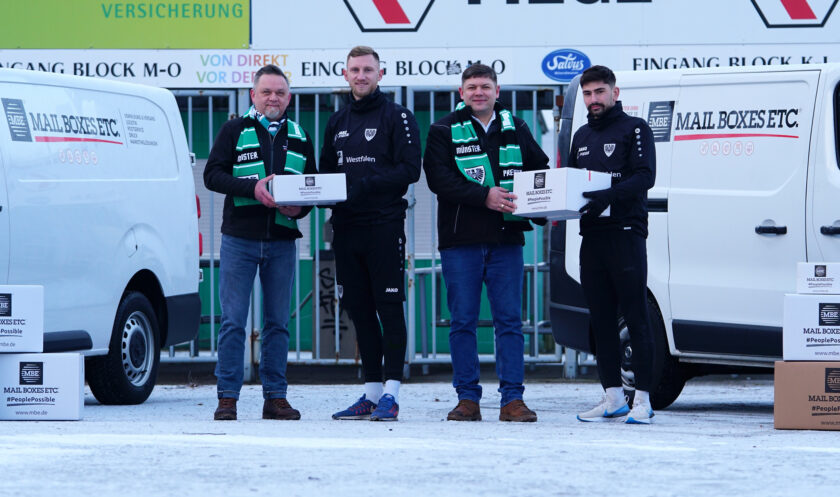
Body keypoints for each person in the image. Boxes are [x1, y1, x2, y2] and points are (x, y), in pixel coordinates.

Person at [423, 63, 548, 422]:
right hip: (460, 241)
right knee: (462, 321)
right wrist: (485, 197)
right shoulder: (442, 129)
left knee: (509, 321)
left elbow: (539, 171)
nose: (479, 92)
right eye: (472, 87)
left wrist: (543, 205)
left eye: (485, 86)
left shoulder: (517, 126)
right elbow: (439, 180)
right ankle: (467, 399)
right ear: (461, 93)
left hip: (506, 239)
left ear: (497, 91)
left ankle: (512, 399)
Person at [204, 64, 317, 421]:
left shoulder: (300, 134)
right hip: (240, 239)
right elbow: (212, 175)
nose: (273, 98)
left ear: (289, 98)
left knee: (278, 323)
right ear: (253, 95)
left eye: (280, 93)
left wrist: (299, 208)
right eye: (266, 92)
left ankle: (275, 397)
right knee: (234, 321)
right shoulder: (234, 129)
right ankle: (227, 397)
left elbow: (311, 185)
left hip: (283, 240)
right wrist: (251, 188)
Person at [320, 46, 421, 422]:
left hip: (384, 226)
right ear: (344, 74)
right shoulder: (336, 121)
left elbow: (410, 169)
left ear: (381, 74)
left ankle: (392, 395)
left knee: (389, 308)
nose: (361, 76)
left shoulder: (398, 116)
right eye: (354, 70)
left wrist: (365, 186)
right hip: (346, 229)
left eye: (368, 70)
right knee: (359, 311)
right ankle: (371, 392)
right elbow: (326, 174)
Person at [567, 65, 657, 424]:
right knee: (600, 321)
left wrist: (609, 197)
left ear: (614, 93)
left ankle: (644, 401)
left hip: (625, 234)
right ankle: (613, 398)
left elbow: (645, 176)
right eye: (587, 94)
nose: (594, 100)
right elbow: (571, 184)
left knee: (636, 317)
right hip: (592, 238)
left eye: (599, 92)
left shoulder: (635, 129)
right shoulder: (582, 135)